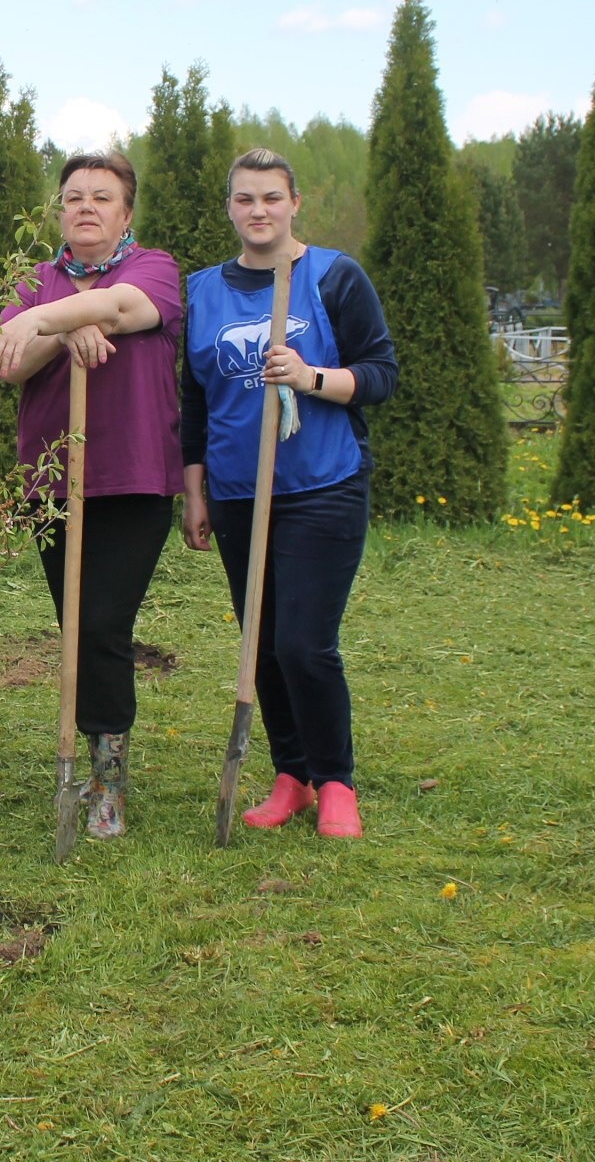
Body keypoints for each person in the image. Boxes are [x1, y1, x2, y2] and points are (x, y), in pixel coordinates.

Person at [181, 148, 398, 840]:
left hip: (322, 485)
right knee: (263, 645)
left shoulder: (334, 277)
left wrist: (310, 377)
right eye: (245, 199)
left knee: (305, 643)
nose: (259, 211)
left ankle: (337, 781)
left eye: (272, 198)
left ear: (294, 203)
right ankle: (291, 777)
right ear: (230, 209)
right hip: (241, 493)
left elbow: (382, 374)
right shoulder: (202, 293)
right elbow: (191, 403)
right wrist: (196, 493)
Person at [0, 152, 182, 839]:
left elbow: (127, 308)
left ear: (126, 212)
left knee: (102, 626)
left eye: (102, 196)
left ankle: (108, 779)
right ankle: (97, 759)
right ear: (59, 210)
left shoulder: (153, 267)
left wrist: (50, 317)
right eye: (73, 197)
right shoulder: (32, 279)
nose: (86, 206)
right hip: (52, 483)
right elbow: (6, 361)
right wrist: (63, 324)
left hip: (132, 477)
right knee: (79, 630)